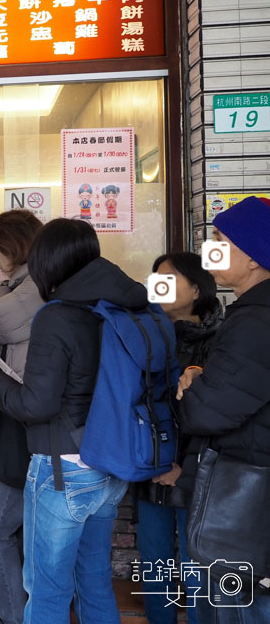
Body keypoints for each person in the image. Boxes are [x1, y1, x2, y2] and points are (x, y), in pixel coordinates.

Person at [0, 218, 139, 624]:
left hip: (63, 465)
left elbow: (37, 404)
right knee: (93, 578)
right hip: (110, 459)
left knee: (47, 589)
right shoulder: (123, 304)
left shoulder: (57, 314)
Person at [175, 196, 270, 621]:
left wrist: (192, 384)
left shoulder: (255, 322)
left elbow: (206, 413)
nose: (209, 250)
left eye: (219, 240)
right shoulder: (250, 314)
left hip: (246, 497)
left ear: (253, 258)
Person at [134, 252, 221, 624]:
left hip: (195, 474)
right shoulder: (145, 334)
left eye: (168, 279)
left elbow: (215, 417)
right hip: (149, 467)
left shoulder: (219, 341)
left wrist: (182, 468)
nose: (158, 285)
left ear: (197, 289)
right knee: (153, 562)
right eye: (155, 278)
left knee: (195, 564)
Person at [0, 209, 43, 624]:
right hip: (36, 423)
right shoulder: (40, 281)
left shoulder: (29, 288)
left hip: (27, 423)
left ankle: (15, 615)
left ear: (13, 249)